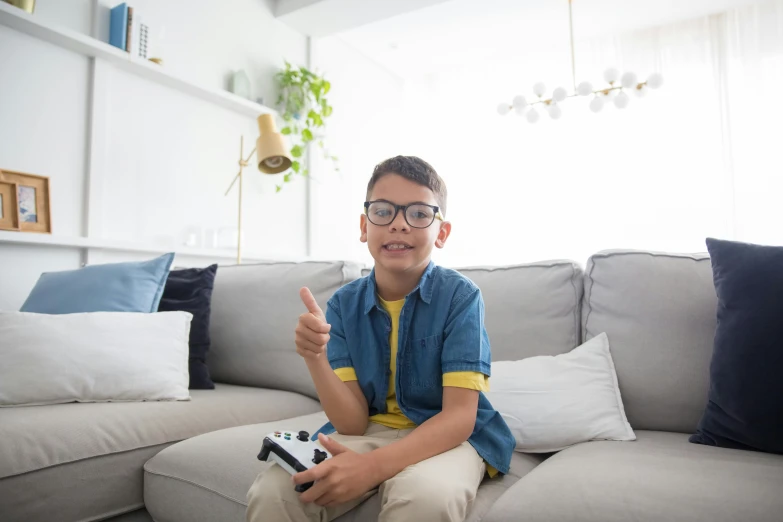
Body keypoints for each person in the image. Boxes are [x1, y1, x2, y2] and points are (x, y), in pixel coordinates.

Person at [246, 156, 514, 522]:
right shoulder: (342, 305)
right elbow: (352, 424)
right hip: (371, 429)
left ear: (442, 232)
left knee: (425, 497)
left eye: (419, 214)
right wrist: (315, 357)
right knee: (276, 490)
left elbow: (458, 419)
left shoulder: (461, 297)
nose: (399, 225)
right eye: (384, 211)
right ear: (364, 225)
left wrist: (371, 467)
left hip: (444, 436)